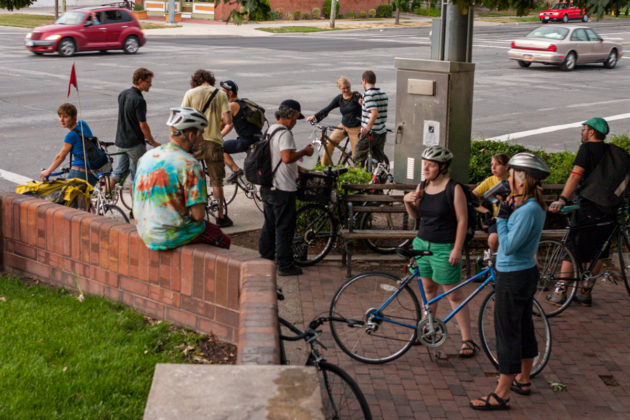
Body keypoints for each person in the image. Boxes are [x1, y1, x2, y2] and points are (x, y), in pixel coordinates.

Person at [470, 153, 550, 411]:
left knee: (507, 332)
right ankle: (523, 379)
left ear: (522, 179)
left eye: (513, 175)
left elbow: (509, 246)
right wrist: (508, 210)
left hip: (513, 275)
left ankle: (502, 393)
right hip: (522, 273)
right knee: (523, 327)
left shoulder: (528, 210)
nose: (509, 180)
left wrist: (502, 218)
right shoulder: (529, 206)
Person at [403, 145, 477, 358]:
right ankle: (428, 329)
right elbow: (417, 216)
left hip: (444, 247)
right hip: (422, 244)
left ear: (443, 167)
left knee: (453, 294)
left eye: (431, 165)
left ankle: (467, 339)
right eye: (425, 164)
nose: (426, 168)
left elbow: (462, 221)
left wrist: (457, 248)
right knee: (428, 291)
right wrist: (407, 202)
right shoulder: (423, 186)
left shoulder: (454, 188)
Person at [132, 107, 230, 251]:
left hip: (145, 231)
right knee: (222, 239)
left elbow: (133, 191)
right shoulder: (189, 164)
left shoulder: (147, 156)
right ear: (191, 136)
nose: (202, 140)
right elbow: (198, 215)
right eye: (201, 135)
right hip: (170, 236)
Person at [548, 117, 615, 306]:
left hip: (587, 207)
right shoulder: (611, 152)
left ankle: (561, 290)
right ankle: (586, 290)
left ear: (591, 132)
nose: (582, 132)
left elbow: (575, 175)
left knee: (571, 246)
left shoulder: (587, 149)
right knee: (599, 250)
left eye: (584, 129)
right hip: (608, 209)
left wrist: (563, 199)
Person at [259, 99, 314, 277]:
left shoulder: (270, 130)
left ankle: (265, 259)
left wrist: (299, 166)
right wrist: (304, 152)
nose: (296, 122)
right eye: (296, 118)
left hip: (268, 186)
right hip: (282, 188)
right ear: (290, 115)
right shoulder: (284, 134)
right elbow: (286, 158)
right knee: (284, 228)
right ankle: (284, 265)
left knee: (269, 225)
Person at [181, 69, 233, 228]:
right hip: (214, 141)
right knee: (217, 181)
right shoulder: (221, 94)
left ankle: (193, 213)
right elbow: (228, 121)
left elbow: (183, 118)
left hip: (194, 141)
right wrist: (219, 134)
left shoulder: (190, 93)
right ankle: (220, 216)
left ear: (195, 81)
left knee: (191, 178)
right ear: (210, 80)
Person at [111, 67, 160, 189]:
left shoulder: (123, 94)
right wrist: (153, 142)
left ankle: (104, 195)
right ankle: (135, 201)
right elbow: (143, 125)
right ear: (140, 81)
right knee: (137, 177)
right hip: (134, 144)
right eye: (148, 82)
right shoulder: (139, 100)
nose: (150, 85)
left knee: (118, 172)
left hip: (120, 141)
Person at [306, 77, 362, 167]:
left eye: (348, 87)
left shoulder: (356, 95)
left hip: (356, 128)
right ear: (339, 88)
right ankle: (325, 168)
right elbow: (327, 109)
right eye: (343, 88)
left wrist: (362, 102)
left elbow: (363, 104)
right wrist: (314, 117)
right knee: (328, 144)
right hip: (343, 126)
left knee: (356, 155)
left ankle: (358, 172)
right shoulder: (339, 98)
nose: (346, 90)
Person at [40, 103, 97, 186]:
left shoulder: (70, 136)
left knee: (62, 192)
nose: (61, 120)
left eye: (65, 117)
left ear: (74, 117)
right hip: (93, 172)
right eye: (60, 116)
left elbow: (61, 156)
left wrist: (48, 171)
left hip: (79, 173)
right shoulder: (83, 124)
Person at [219, 80, 263, 184]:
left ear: (230, 93)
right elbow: (228, 124)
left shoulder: (231, 106)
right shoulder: (242, 103)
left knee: (218, 148)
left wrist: (215, 136)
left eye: (222, 92)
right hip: (257, 137)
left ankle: (236, 170)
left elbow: (224, 123)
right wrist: (219, 134)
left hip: (246, 141)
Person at [472, 153, 511, 252]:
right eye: (492, 164)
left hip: (513, 218)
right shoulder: (489, 181)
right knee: (493, 239)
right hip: (495, 219)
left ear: (506, 166)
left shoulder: (514, 180)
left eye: (497, 164)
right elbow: (470, 197)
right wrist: (485, 211)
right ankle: (495, 260)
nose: (493, 167)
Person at [354, 70, 388, 168]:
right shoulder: (382, 93)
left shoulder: (368, 94)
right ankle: (377, 176)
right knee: (378, 160)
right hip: (381, 132)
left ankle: (359, 176)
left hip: (370, 133)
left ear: (364, 81)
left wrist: (367, 128)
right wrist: (363, 104)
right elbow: (378, 108)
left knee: (358, 157)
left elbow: (374, 113)